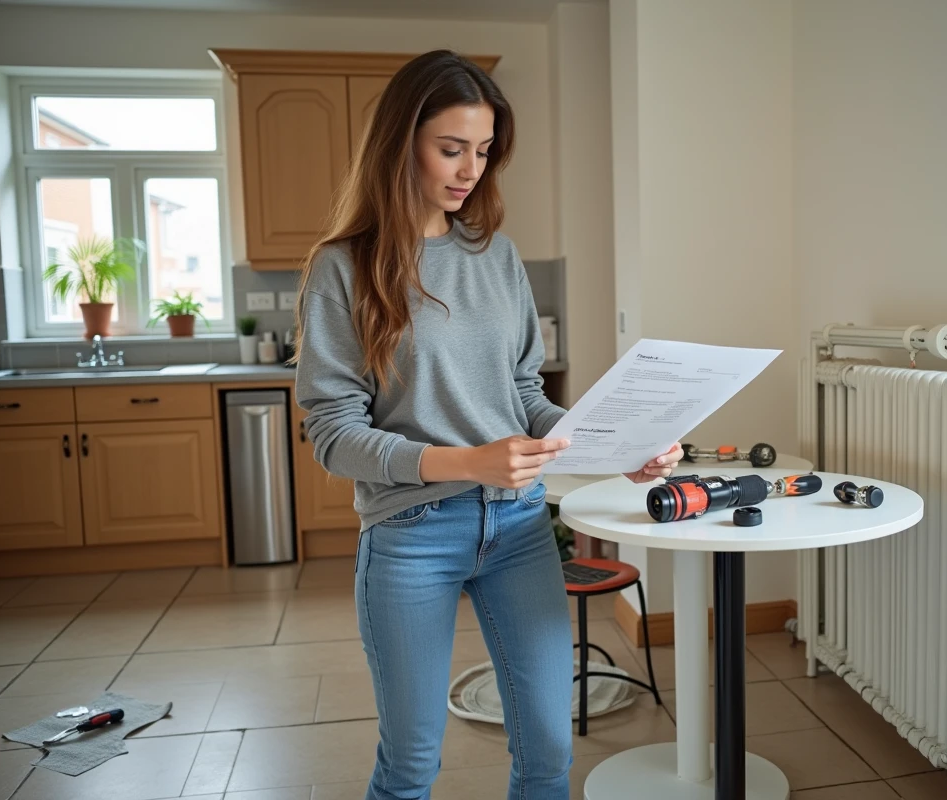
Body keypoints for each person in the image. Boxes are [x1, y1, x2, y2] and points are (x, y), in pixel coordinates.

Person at [292, 50, 683, 800]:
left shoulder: (497, 256)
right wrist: (468, 462)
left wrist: (614, 446)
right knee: (410, 765)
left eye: (482, 150)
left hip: (519, 531)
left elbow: (523, 395)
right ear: (400, 143)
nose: (469, 168)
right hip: (410, 536)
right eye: (450, 148)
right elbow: (334, 433)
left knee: (546, 754)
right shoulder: (343, 268)